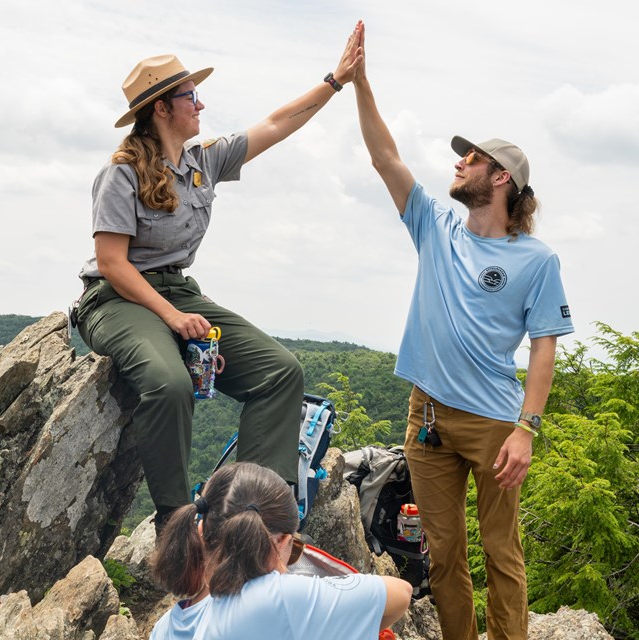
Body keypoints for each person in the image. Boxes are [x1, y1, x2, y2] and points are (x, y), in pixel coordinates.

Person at [74, 27, 364, 535]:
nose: (201, 104)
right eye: (190, 96)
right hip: (115, 298)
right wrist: (173, 319)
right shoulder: (120, 173)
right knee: (169, 384)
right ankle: (176, 524)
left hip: (177, 289)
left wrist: (335, 81)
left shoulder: (203, 161)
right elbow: (114, 263)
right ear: (162, 108)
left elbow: (276, 124)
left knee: (281, 372)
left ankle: (249, 520)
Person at [351, 23, 574, 640]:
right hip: (426, 417)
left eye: (472, 157)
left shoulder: (538, 260)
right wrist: (360, 83)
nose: (460, 162)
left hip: (495, 424)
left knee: (502, 555)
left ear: (501, 177)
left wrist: (527, 429)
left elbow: (544, 347)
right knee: (443, 557)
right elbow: (384, 157)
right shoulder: (435, 227)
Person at [150, 461, 412, 639]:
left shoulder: (163, 629)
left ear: (199, 532)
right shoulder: (275, 598)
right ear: (283, 543)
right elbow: (400, 594)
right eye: (295, 549)